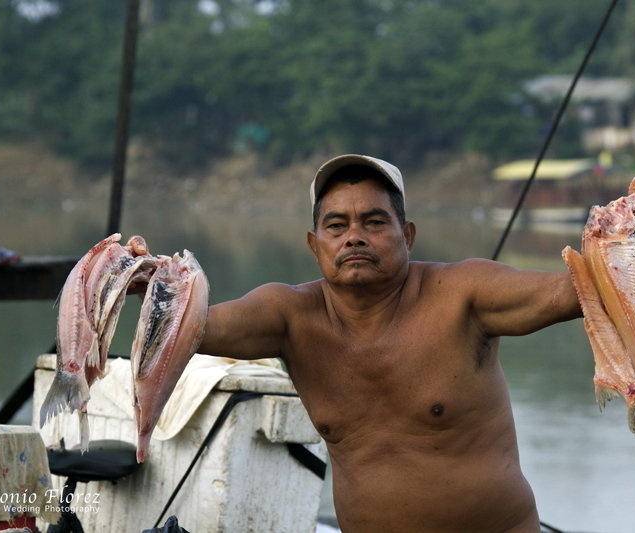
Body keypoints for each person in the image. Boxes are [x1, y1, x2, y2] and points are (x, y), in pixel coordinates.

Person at [198, 154, 583, 533]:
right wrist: (161, 285)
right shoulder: (291, 316)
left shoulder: (462, 293)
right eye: (337, 226)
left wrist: (615, 235)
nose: (354, 237)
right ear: (315, 246)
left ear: (408, 236)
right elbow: (191, 325)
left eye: (375, 222)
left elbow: (572, 291)